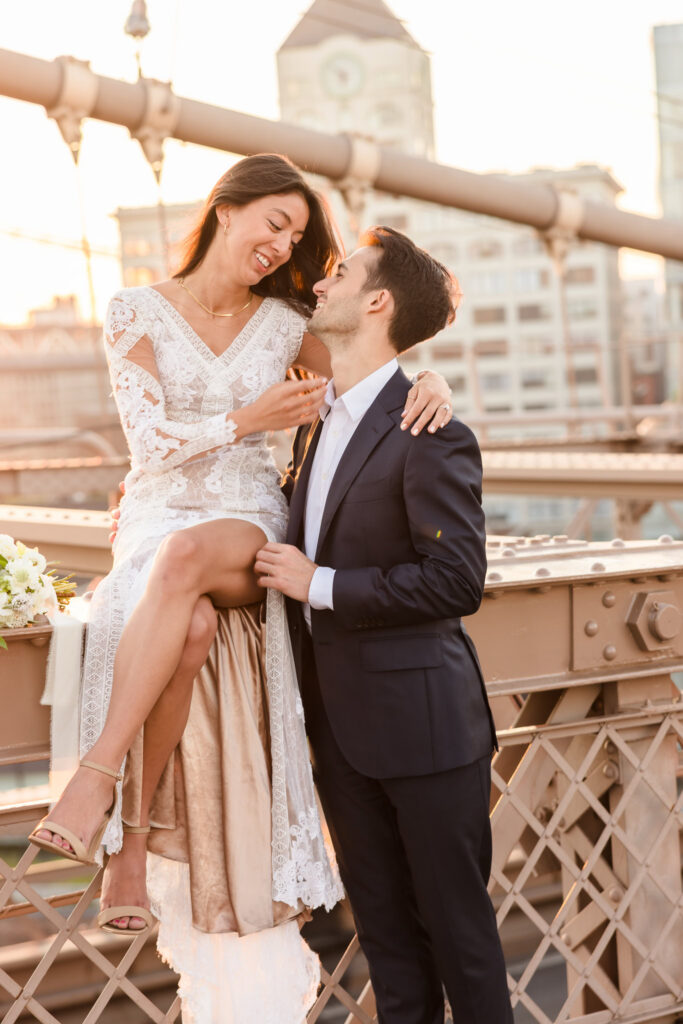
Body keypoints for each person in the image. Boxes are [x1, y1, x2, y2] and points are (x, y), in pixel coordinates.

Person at [30, 155, 453, 1021]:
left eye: (296, 237)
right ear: (225, 210)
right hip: (155, 510)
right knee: (180, 630)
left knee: (185, 564)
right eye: (272, 223)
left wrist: (433, 378)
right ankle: (134, 854)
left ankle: (96, 782)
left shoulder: (291, 322)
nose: (280, 245)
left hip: (243, 521)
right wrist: (246, 418)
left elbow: (370, 379)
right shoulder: (134, 311)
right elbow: (148, 446)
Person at [254, 226, 514, 1024]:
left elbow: (454, 579)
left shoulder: (432, 430)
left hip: (427, 731)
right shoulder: (311, 419)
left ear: (377, 301)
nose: (319, 286)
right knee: (390, 950)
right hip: (335, 733)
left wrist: (320, 583)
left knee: (461, 946)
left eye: (339, 274)